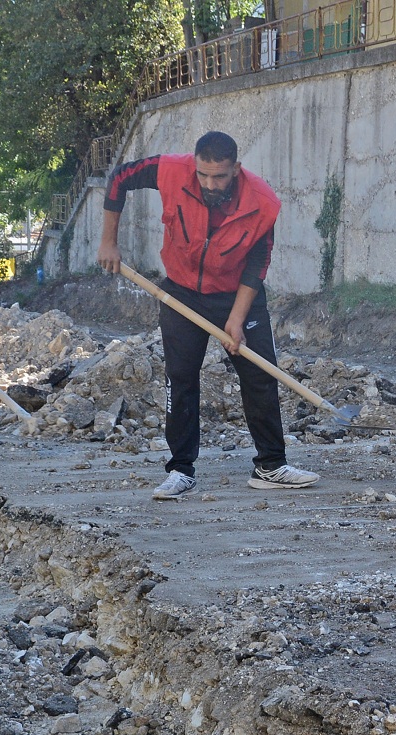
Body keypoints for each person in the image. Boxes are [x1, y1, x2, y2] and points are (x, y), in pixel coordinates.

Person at [97, 131, 318, 499]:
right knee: (181, 377)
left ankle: (271, 465)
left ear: (237, 169)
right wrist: (109, 240)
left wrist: (236, 318)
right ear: (195, 165)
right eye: (203, 175)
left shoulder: (262, 202)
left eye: (220, 176)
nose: (210, 184)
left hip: (236, 292)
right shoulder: (171, 170)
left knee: (260, 373)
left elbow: (258, 262)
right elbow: (119, 177)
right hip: (182, 292)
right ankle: (181, 470)